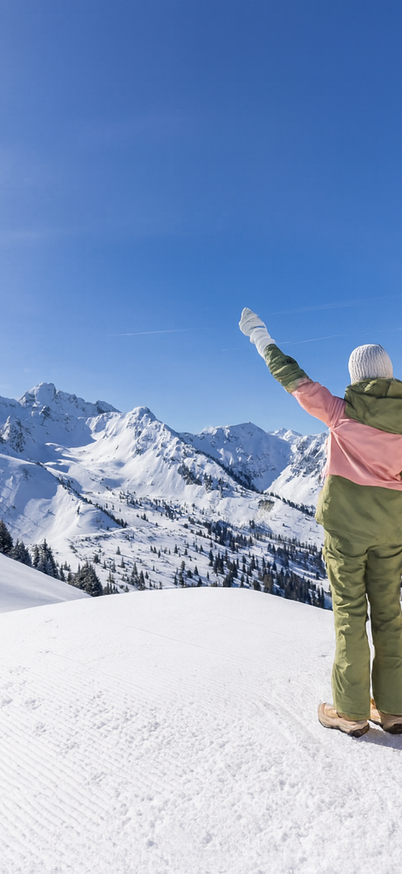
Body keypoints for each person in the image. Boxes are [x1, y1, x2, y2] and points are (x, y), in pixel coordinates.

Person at [239, 307, 402, 738]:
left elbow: (293, 379)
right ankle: (394, 709)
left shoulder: (340, 412)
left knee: (350, 613)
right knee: (389, 614)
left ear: (357, 377)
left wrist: (261, 338)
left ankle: (350, 711)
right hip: (393, 530)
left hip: (347, 532)